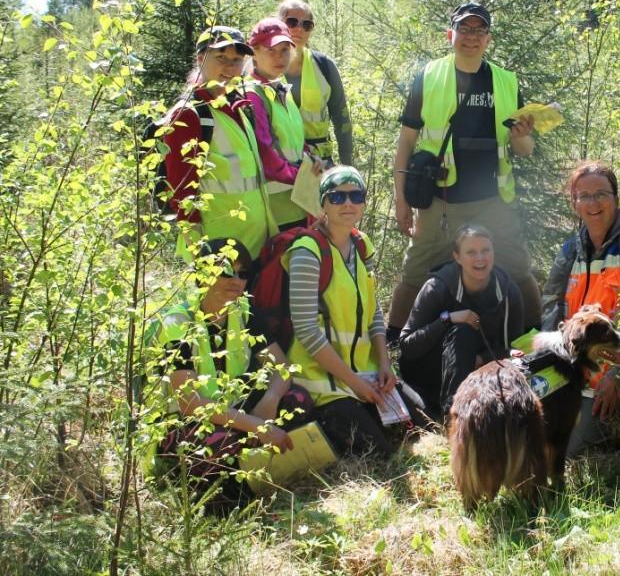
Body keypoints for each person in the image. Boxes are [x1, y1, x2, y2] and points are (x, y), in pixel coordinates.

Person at [386, 2, 541, 341]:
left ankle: (537, 340)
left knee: (517, 268)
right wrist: (400, 200)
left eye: (479, 31)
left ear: (488, 39)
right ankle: (394, 344)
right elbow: (406, 141)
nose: (472, 37)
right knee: (416, 272)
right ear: (450, 35)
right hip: (441, 200)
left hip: (494, 199)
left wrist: (523, 137)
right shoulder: (428, 77)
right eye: (465, 29)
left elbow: (524, 150)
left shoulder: (506, 81)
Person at [153, 239, 315, 510]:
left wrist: (271, 398)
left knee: (298, 399)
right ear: (203, 274)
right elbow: (190, 404)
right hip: (186, 424)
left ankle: (263, 472)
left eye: (243, 274)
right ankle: (227, 499)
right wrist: (257, 426)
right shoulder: (178, 322)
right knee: (217, 442)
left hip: (237, 413)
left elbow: (283, 367)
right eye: (227, 271)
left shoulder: (244, 313)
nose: (236, 281)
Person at [283, 166, 424, 457]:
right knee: (378, 454)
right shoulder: (306, 252)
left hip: (366, 374)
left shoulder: (361, 245)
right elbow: (307, 331)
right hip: (324, 385)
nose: (348, 203)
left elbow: (373, 313)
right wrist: (355, 383)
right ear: (322, 203)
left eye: (356, 195)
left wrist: (385, 365)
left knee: (419, 424)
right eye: (336, 197)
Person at [541, 162, 620, 456]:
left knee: (564, 452)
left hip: (616, 380)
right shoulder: (572, 248)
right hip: (573, 371)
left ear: (616, 197)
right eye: (583, 196)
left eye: (600, 193)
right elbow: (551, 305)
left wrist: (618, 377)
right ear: (574, 204)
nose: (592, 203)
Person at [162, 26, 297, 258]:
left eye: (236, 60)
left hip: (255, 246)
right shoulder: (188, 115)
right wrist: (201, 256)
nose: (229, 66)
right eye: (221, 57)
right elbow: (181, 195)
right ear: (201, 58)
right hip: (219, 255)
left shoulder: (239, 108)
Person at [398, 224, 524, 419]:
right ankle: (455, 417)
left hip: (481, 371)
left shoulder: (508, 292)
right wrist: (447, 319)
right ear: (457, 256)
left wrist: (481, 359)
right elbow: (407, 346)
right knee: (463, 332)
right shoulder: (437, 288)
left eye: (485, 250)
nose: (480, 258)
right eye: (471, 252)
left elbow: (516, 348)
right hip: (429, 373)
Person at [246, 17, 312, 230]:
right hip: (276, 210)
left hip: (299, 201)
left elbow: (296, 141)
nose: (280, 57)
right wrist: (302, 176)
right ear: (254, 52)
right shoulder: (253, 95)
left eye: (285, 50)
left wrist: (312, 162)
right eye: (271, 50)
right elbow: (266, 156)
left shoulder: (281, 87)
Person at [277, 0, 354, 167]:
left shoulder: (324, 66)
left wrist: (348, 167)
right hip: (279, 172)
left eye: (306, 25)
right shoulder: (261, 69)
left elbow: (342, 118)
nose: (299, 29)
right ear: (279, 24)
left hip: (321, 166)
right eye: (292, 22)